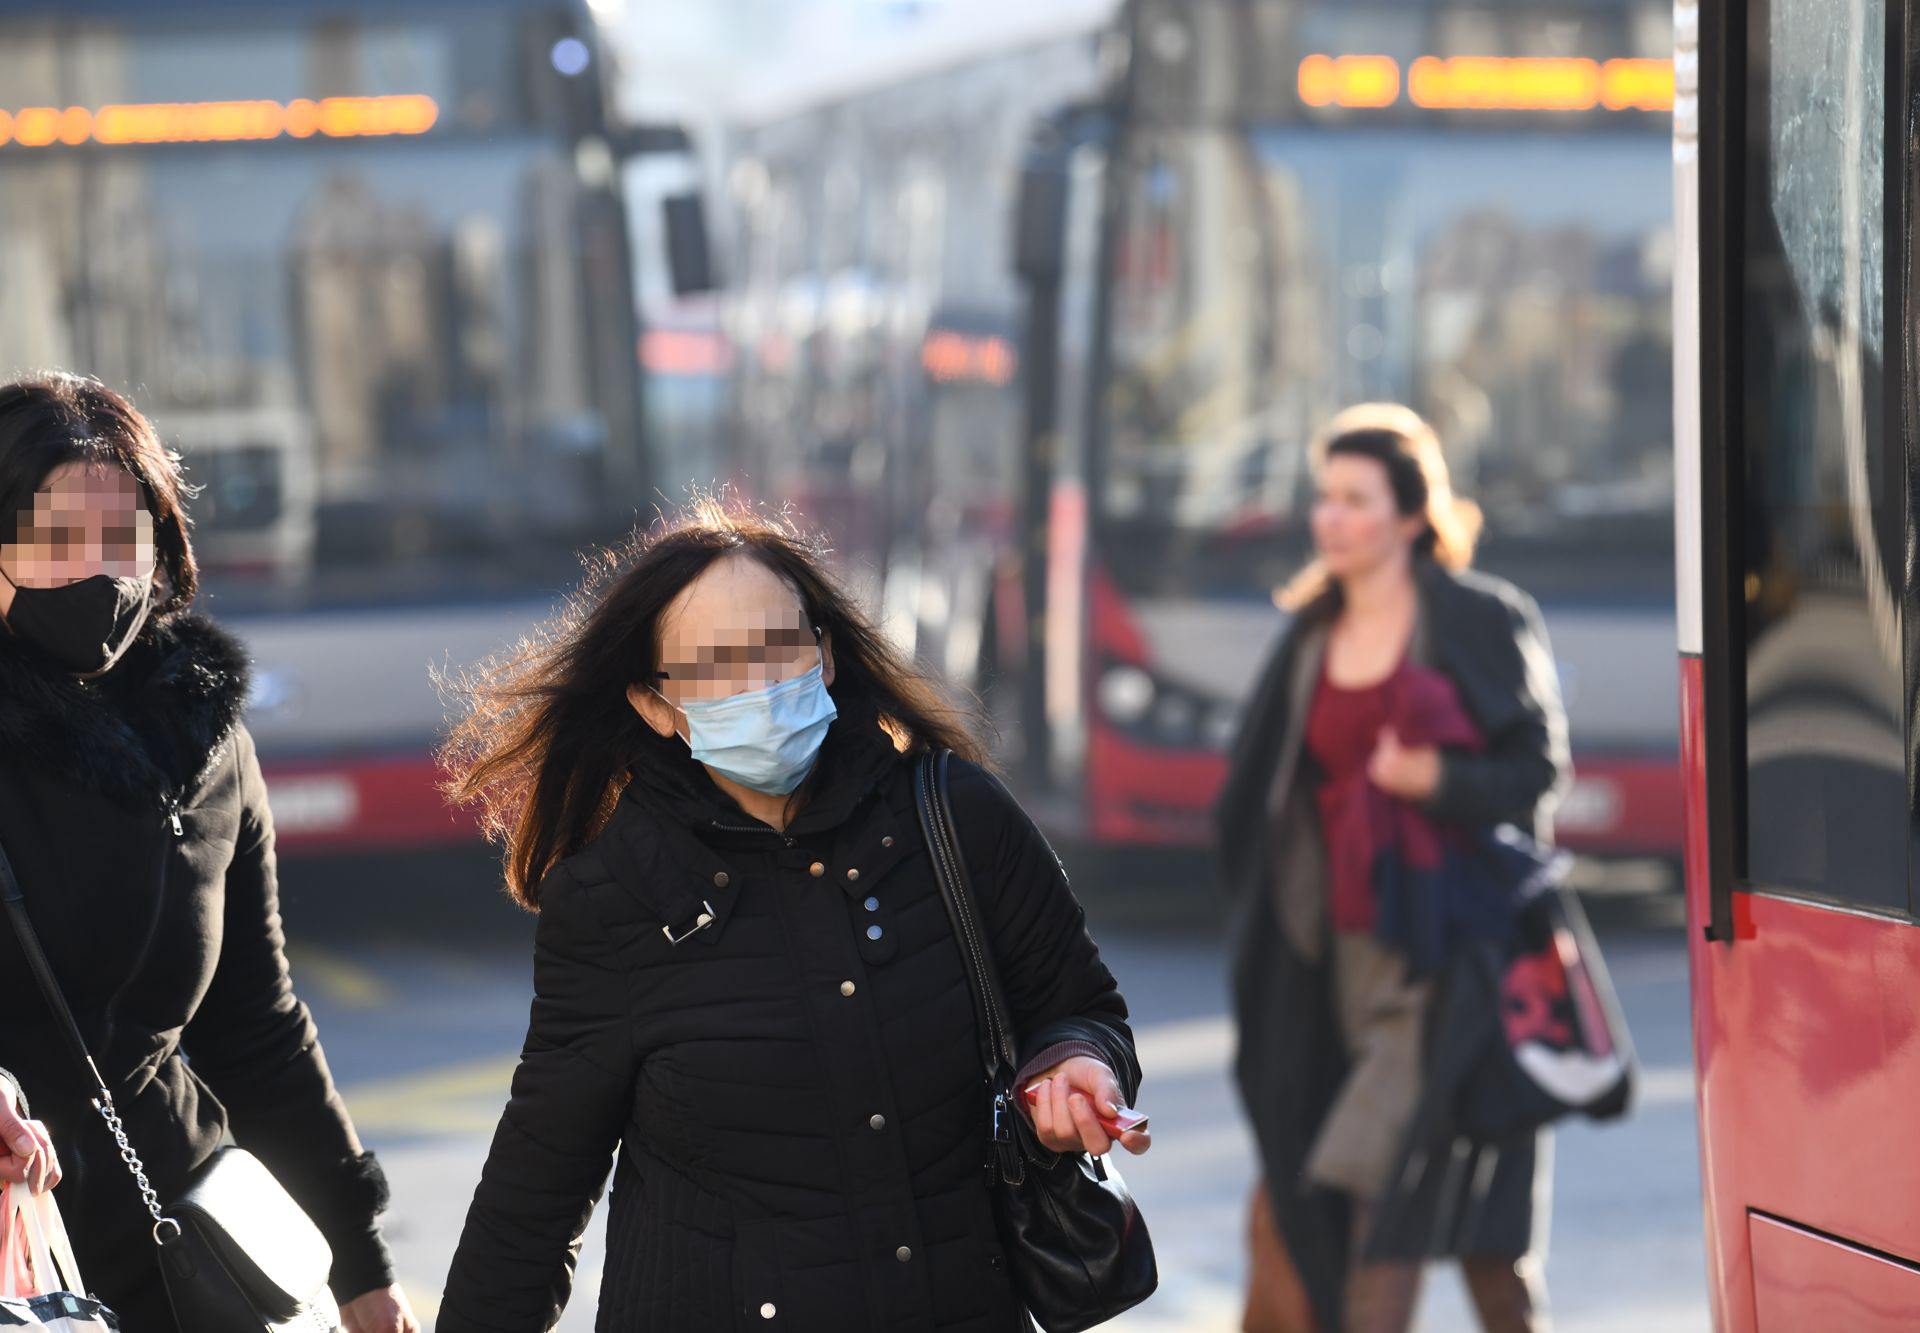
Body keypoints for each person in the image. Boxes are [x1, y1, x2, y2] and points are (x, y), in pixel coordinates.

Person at [434, 502, 1149, 1332]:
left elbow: (1082, 1008)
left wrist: (1072, 1066)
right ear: (655, 704)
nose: (762, 684)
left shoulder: (956, 816)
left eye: (782, 647)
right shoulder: (613, 896)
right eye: (717, 666)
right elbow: (534, 1199)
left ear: (827, 655)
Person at [0, 373, 418, 1332]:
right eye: (55, 540)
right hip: (18, 1256)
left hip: (182, 1244)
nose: (98, 572)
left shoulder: (198, 734)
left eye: (123, 536)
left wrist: (361, 1266)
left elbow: (254, 1021)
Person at [1215, 404, 1571, 1333]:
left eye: (1353, 500)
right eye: (1323, 498)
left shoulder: (1483, 619)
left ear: (1411, 514)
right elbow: (1254, 799)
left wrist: (1437, 778)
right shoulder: (1308, 637)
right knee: (1470, 1235)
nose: (1329, 519)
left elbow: (1538, 771)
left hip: (1447, 967)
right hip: (1329, 968)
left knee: (1380, 1199)